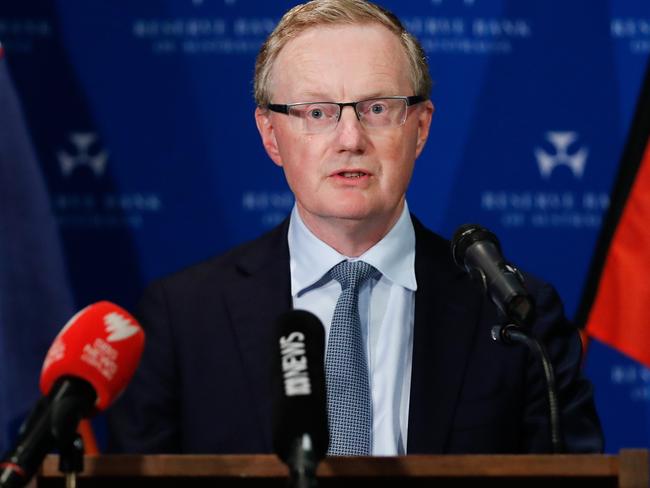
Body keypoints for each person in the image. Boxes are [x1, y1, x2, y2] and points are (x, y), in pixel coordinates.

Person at [109, 0, 603, 455]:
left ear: (421, 127)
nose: (350, 139)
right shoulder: (184, 317)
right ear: (271, 136)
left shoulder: (518, 315)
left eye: (377, 109)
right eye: (318, 112)